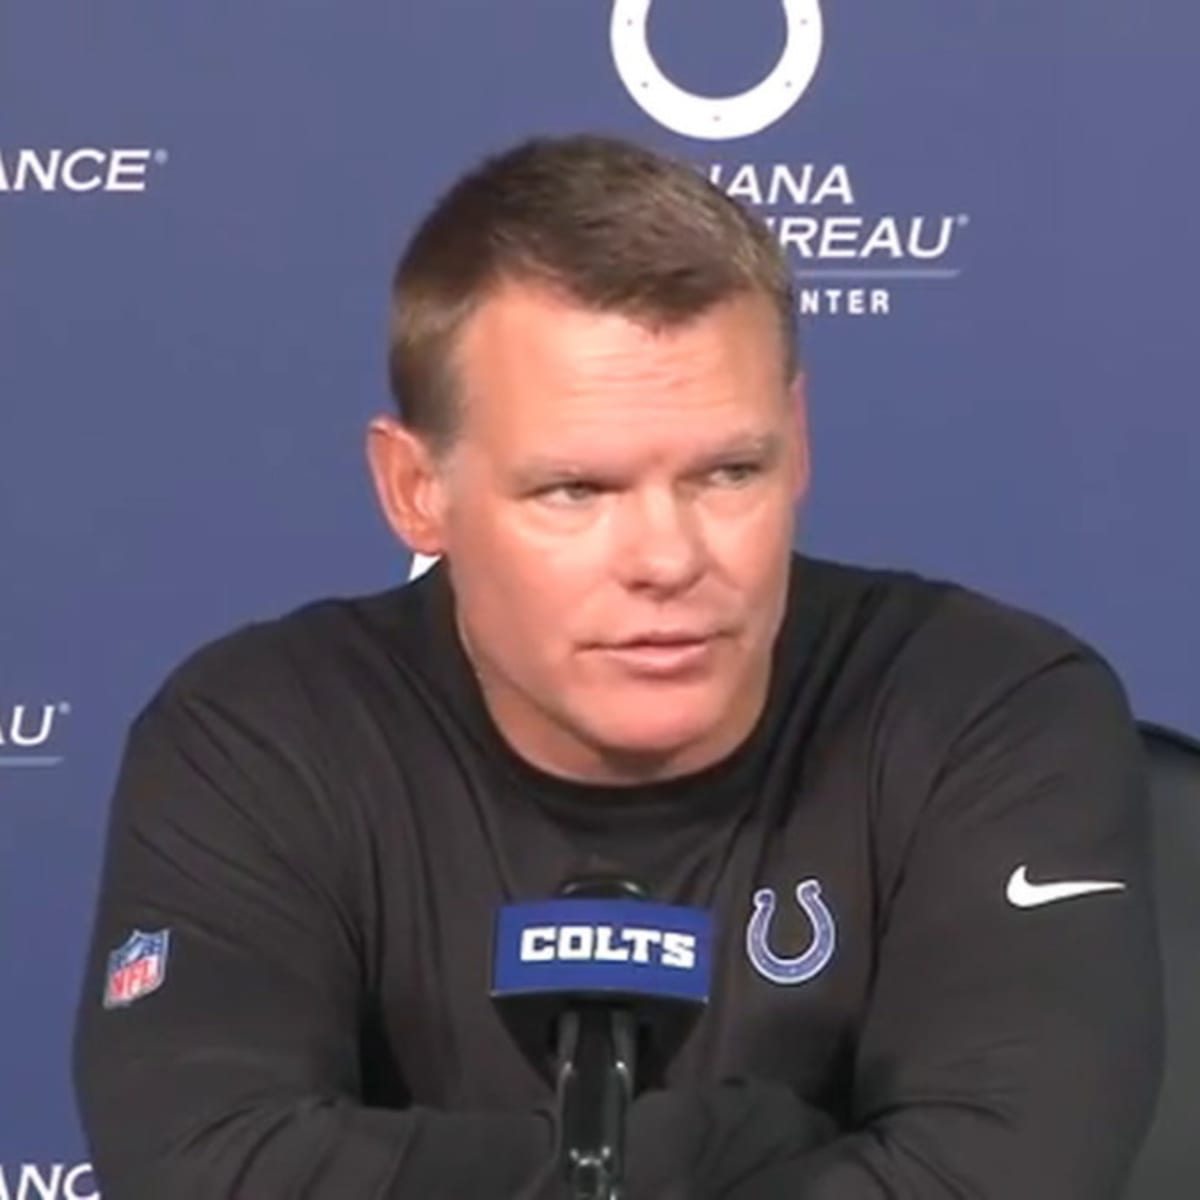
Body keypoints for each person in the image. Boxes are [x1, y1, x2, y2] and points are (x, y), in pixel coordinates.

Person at [72, 132, 1164, 1198]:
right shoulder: (261, 737)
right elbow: (206, 1166)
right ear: (416, 490)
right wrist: (744, 1143)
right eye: (575, 491)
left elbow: (1004, 1174)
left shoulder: (989, 709)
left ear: (801, 440)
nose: (670, 560)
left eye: (729, 471)